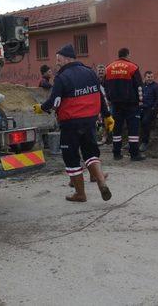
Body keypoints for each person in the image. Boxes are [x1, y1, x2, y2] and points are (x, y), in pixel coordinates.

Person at [33, 44, 115, 202]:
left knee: (71, 158)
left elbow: (55, 102)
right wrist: (107, 115)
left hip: (70, 124)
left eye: (58, 60)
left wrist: (41, 108)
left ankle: (80, 194)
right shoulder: (90, 72)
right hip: (90, 121)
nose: (56, 63)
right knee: (91, 154)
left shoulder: (62, 77)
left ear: (66, 58)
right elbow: (100, 96)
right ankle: (102, 183)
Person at [104, 48, 144, 161]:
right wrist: (141, 101)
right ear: (128, 55)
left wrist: (109, 99)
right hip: (131, 104)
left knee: (116, 129)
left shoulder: (109, 68)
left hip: (115, 104)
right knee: (133, 130)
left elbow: (104, 86)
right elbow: (139, 86)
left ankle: (116, 154)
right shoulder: (133, 67)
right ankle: (134, 154)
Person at [140, 70, 158, 152]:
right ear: (145, 77)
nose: (150, 78)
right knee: (134, 121)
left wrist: (154, 108)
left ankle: (144, 142)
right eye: (148, 77)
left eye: (151, 77)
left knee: (145, 122)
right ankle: (132, 142)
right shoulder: (141, 86)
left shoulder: (156, 87)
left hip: (151, 109)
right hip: (141, 108)